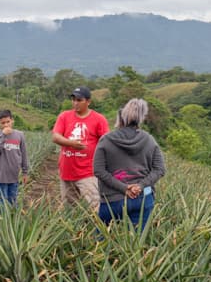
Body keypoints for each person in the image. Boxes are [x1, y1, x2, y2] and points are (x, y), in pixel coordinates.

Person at [94, 98, 165, 229]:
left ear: (120, 118)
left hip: (112, 201)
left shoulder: (106, 140)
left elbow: (98, 170)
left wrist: (124, 188)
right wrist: (140, 186)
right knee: (136, 242)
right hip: (143, 198)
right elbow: (159, 169)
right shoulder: (149, 140)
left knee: (103, 241)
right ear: (141, 118)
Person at [52, 86, 109, 211]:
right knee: (70, 210)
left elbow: (106, 143)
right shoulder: (64, 116)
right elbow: (55, 137)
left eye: (79, 100)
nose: (75, 103)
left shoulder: (99, 119)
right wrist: (71, 143)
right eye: (73, 99)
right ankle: (77, 231)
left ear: (88, 102)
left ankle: (97, 230)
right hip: (66, 172)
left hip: (88, 173)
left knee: (95, 207)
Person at [0, 109, 29, 206]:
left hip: (14, 175)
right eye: (3, 123)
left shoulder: (20, 135)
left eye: (8, 122)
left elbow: (24, 153)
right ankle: (1, 221)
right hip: (0, 175)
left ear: (12, 120)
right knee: (2, 203)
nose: (6, 125)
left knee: (13, 201)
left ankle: (12, 219)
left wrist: (25, 172)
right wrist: (3, 135)